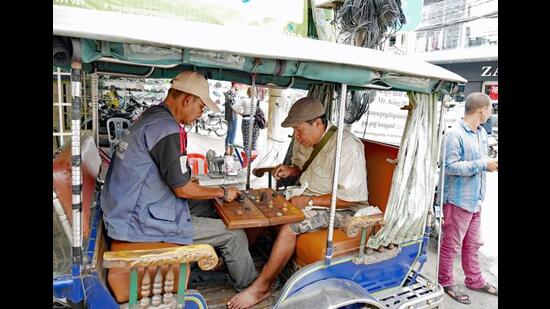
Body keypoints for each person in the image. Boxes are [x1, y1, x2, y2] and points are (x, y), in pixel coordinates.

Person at [101, 71, 257, 292]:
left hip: (125, 209)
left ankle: (208, 261)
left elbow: (169, 171)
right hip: (136, 222)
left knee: (206, 205)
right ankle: (249, 287)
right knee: (234, 234)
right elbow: (183, 189)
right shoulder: (166, 128)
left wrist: (200, 187)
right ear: (187, 100)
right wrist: (222, 191)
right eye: (201, 108)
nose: (200, 115)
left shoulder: (153, 116)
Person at [227, 97, 369, 309]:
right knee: (258, 203)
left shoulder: (347, 147)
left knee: (290, 226)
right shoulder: (306, 139)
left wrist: (308, 200)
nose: (297, 136)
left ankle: (263, 286)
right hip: (306, 195)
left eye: (300, 130)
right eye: (294, 130)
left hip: (341, 208)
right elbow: (302, 168)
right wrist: (290, 170)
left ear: (318, 124)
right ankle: (247, 257)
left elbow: (350, 197)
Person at [438, 92, 498, 304]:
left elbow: (479, 161)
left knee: (473, 244)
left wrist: (489, 163)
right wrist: (483, 164)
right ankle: (445, 281)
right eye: (490, 109)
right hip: (457, 201)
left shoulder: (481, 133)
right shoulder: (454, 135)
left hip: (475, 201)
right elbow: (448, 167)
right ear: (482, 110)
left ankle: (475, 280)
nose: (490, 113)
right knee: (451, 245)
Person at [232, 87, 260, 154]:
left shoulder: (244, 100)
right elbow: (261, 113)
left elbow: (233, 107)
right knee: (254, 140)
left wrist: (241, 113)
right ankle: (252, 157)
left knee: (246, 140)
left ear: (248, 93)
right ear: (256, 93)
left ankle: (246, 158)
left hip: (246, 120)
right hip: (255, 121)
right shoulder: (258, 101)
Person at [224, 83, 239, 156]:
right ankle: (230, 153)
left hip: (228, 115)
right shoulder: (234, 94)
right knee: (233, 134)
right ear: (235, 85)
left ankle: (227, 151)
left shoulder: (228, 92)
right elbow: (235, 106)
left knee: (229, 133)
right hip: (233, 115)